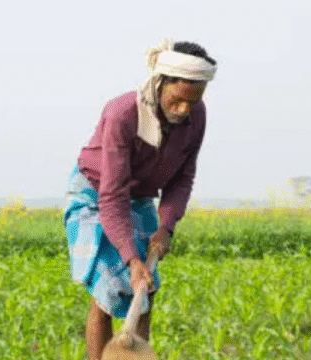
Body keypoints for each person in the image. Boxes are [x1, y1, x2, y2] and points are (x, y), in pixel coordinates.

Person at [62, 39, 217, 360]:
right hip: (96, 194)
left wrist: (166, 227)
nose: (183, 109)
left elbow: (182, 178)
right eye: (176, 100)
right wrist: (132, 260)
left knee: (146, 289)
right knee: (107, 290)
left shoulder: (196, 116)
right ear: (161, 83)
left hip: (140, 197)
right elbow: (113, 193)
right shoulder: (122, 113)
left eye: (193, 101)